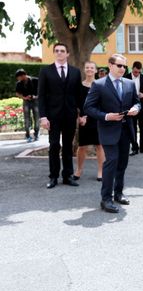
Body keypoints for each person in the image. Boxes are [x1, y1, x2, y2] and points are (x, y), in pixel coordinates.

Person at [84, 54, 140, 213]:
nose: (123, 69)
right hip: (108, 131)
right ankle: (106, 199)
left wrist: (136, 108)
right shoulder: (99, 84)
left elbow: (137, 101)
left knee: (122, 163)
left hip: (125, 130)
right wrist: (106, 116)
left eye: (124, 66)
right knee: (112, 162)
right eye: (119, 66)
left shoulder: (129, 83)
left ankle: (118, 193)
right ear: (110, 65)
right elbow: (88, 107)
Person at [38, 43, 82, 189]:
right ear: (54, 53)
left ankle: (68, 176)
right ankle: (53, 177)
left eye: (62, 51)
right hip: (53, 116)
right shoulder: (46, 71)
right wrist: (43, 117)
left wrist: (82, 114)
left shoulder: (76, 72)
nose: (59, 53)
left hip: (70, 115)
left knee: (68, 146)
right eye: (56, 51)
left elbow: (79, 95)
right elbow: (42, 96)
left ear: (67, 53)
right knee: (54, 145)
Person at [73, 61, 105, 182]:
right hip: (84, 120)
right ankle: (79, 170)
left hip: (97, 119)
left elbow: (104, 104)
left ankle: (101, 171)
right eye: (87, 67)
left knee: (99, 145)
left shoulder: (101, 85)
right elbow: (75, 105)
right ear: (84, 70)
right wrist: (79, 117)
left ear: (96, 70)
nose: (90, 69)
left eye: (92, 68)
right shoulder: (79, 87)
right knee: (82, 146)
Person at [126, 61, 143, 155]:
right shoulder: (126, 77)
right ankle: (134, 148)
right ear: (132, 68)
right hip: (131, 106)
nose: (137, 74)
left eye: (139, 72)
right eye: (135, 71)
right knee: (132, 128)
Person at [15, 69, 39, 142]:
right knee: (27, 119)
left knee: (37, 118)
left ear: (23, 75)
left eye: (18, 77)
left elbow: (42, 90)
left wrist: (35, 96)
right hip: (26, 102)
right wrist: (24, 97)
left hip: (36, 101)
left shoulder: (35, 80)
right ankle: (28, 135)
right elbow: (17, 93)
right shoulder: (19, 83)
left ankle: (36, 134)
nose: (18, 79)